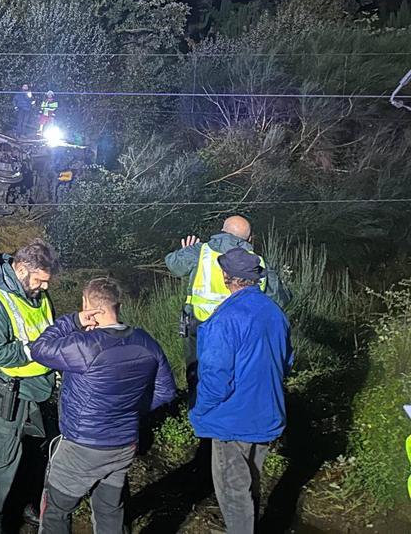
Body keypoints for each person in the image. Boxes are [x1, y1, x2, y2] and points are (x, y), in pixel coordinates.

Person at [29, 277, 177, 534]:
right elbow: (166, 391)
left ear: (87, 304)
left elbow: (40, 349)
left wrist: (73, 321)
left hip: (81, 446)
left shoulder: (86, 346)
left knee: (56, 511)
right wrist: (128, 409)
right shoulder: (146, 342)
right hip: (123, 444)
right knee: (110, 511)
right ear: (118, 305)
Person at [190, 248, 293, 533]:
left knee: (234, 493)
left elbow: (216, 378)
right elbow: (286, 362)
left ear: (227, 277)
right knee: (252, 482)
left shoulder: (224, 319)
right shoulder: (275, 312)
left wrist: (199, 411)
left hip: (232, 423)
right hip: (266, 414)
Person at [0, 239, 59, 534]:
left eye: (47, 281)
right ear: (21, 269)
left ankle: (26, 506)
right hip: (10, 393)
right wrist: (38, 349)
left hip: (39, 389)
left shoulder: (36, 292)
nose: (45, 287)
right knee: (0, 461)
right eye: (40, 280)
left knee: (36, 454)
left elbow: (49, 330)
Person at [164, 215, 289, 402]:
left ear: (222, 231)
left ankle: (198, 408)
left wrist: (186, 251)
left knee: (199, 377)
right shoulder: (257, 262)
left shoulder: (200, 251)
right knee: (239, 375)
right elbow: (281, 298)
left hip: (199, 325)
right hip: (243, 328)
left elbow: (173, 264)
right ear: (250, 239)